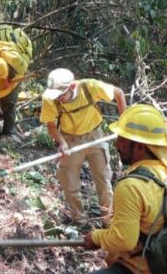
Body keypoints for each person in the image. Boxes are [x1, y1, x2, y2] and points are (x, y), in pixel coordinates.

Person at [83, 104, 167, 274]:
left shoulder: (131, 186)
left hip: (139, 268)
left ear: (141, 147)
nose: (116, 144)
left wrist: (96, 237)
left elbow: (124, 240)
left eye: (122, 139)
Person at [39, 68, 127, 226]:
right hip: (70, 138)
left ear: (72, 86)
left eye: (61, 95)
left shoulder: (89, 87)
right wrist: (62, 142)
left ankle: (108, 222)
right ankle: (79, 221)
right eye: (56, 96)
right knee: (69, 182)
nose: (58, 99)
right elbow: (51, 125)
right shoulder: (50, 99)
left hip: (94, 135)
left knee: (103, 180)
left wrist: (124, 124)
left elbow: (119, 93)